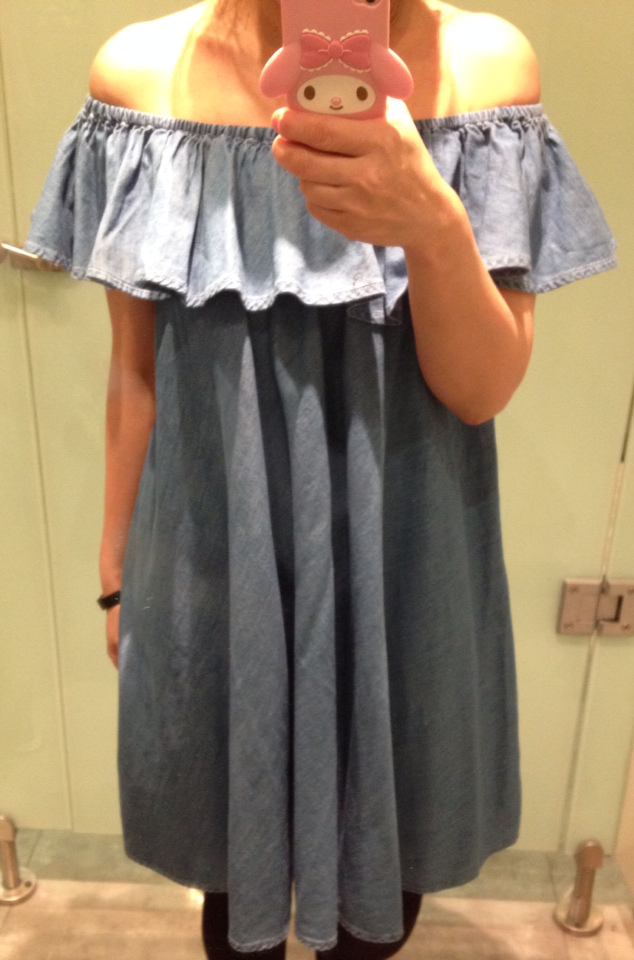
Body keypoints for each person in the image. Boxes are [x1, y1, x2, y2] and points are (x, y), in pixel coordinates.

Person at [25, 1, 616, 957]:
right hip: (217, 557)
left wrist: (430, 220)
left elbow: (479, 390)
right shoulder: (137, 79)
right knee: (235, 886)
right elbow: (136, 375)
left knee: (382, 886)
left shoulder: (488, 69)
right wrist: (117, 576)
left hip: (409, 556)